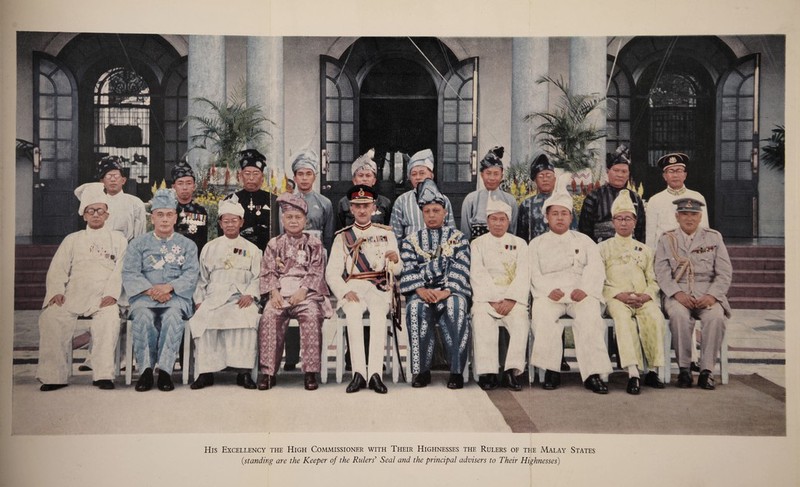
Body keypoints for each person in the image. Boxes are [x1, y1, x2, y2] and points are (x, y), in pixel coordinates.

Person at [36, 184, 128, 391]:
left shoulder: (118, 239)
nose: (96, 215)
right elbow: (58, 269)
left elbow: (121, 270)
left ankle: (103, 374)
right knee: (51, 318)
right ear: (84, 215)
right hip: (74, 293)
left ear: (107, 214)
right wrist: (57, 291)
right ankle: (54, 376)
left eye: (100, 211)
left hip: (104, 295)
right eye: (90, 211)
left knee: (109, 320)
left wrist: (112, 294)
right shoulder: (72, 240)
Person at [529, 188, 612, 394]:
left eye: (564, 213)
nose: (559, 218)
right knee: (543, 316)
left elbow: (595, 268)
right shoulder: (536, 244)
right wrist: (548, 290)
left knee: (590, 317)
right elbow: (532, 272)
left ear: (571, 217)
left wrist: (585, 289)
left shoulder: (584, 241)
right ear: (546, 217)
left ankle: (592, 373)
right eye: (555, 213)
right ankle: (551, 369)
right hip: (550, 293)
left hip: (579, 292)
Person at [122, 189, 200, 392]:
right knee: (142, 317)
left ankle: (166, 370)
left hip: (176, 297)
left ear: (176, 217)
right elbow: (130, 272)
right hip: (144, 297)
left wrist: (169, 287)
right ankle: (146, 371)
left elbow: (191, 274)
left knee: (173, 317)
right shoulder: (137, 244)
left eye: (169, 215)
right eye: (160, 214)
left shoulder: (188, 245)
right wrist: (151, 291)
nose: (164, 220)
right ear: (152, 217)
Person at [326, 185, 401, 394]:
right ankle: (358, 373)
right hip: (354, 286)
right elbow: (332, 273)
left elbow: (397, 268)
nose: (361, 210)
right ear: (351, 208)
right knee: (352, 313)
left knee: (378, 315)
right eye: (357, 206)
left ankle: (375, 374)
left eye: (366, 206)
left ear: (374, 207)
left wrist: (395, 262)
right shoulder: (342, 237)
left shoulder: (386, 234)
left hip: (378, 287)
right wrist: (343, 292)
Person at [399, 179, 471, 389]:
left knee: (455, 308)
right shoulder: (410, 241)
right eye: (427, 211)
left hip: (451, 291)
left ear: (445, 212)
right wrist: (420, 289)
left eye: (436, 210)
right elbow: (409, 269)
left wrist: (446, 291)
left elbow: (461, 267)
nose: (431, 215)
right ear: (422, 213)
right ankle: (421, 371)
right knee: (414, 309)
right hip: (421, 291)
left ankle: (456, 371)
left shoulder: (458, 238)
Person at [655, 197, 732, 390]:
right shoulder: (667, 238)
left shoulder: (713, 237)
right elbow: (661, 272)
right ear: (677, 216)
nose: (689, 218)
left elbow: (724, 272)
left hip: (707, 291)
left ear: (700, 217)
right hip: (678, 292)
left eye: (694, 215)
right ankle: (684, 369)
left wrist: (713, 296)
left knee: (715, 317)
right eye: (684, 214)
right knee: (679, 316)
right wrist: (676, 293)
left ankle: (707, 371)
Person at [258, 192, 332, 391]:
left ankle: (309, 372)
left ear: (305, 220)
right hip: (280, 293)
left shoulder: (314, 244)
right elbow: (267, 272)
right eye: (289, 217)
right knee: (269, 317)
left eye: (298, 217)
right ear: (282, 219)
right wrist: (273, 293)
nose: (293, 221)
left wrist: (303, 290)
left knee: (312, 316)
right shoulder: (274, 244)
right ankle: (268, 372)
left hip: (305, 293)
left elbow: (317, 270)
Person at [188, 200, 262, 390]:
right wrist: (199, 300)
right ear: (220, 224)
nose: (230, 224)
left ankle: (243, 372)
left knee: (247, 317)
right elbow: (201, 279)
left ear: (241, 222)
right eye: (225, 221)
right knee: (204, 318)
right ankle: (205, 372)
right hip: (214, 297)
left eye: (234, 220)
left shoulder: (253, 249)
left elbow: (258, 277)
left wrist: (251, 295)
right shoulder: (209, 248)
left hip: (240, 297)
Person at [599, 190, 666, 394]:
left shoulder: (645, 250)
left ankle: (653, 370)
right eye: (619, 219)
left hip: (642, 297)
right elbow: (599, 279)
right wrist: (617, 294)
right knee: (622, 319)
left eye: (628, 218)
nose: (624, 223)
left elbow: (653, 279)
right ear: (613, 222)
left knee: (655, 316)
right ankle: (633, 372)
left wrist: (647, 295)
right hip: (616, 298)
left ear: (635, 221)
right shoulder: (603, 248)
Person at [516, 153, 576, 372]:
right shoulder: (526, 204)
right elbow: (520, 237)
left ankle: (557, 358)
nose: (545, 179)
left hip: (560, 266)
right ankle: (534, 356)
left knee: (556, 308)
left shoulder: (565, 204)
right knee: (535, 312)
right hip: (536, 264)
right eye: (541, 176)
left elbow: (574, 235)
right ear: (535, 179)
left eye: (549, 175)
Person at [280, 150, 334, 372]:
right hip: (291, 258)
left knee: (311, 305)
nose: (304, 178)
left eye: (308, 174)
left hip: (315, 257)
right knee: (291, 299)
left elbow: (329, 235)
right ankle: (291, 355)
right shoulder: (285, 202)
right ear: (294, 176)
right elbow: (280, 235)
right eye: (300, 174)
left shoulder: (324, 203)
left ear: (314, 177)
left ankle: (313, 357)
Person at [469, 198, 529, 391]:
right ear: (487, 222)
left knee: (521, 321)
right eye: (493, 219)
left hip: (513, 298)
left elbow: (524, 273)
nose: (497, 223)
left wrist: (511, 298)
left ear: (508, 221)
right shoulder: (477, 244)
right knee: (482, 320)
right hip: (487, 298)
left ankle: (512, 371)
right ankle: (489, 372)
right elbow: (477, 273)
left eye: (502, 219)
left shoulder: (519, 244)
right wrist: (493, 299)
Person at [578, 145, 646, 243]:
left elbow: (641, 230)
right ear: (607, 171)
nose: (620, 175)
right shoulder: (594, 196)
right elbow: (585, 230)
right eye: (616, 170)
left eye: (624, 171)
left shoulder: (635, 198)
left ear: (628, 174)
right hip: (599, 248)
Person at [645, 152, 710, 249]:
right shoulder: (655, 200)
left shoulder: (697, 197)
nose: (675, 175)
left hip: (691, 250)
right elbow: (650, 235)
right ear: (665, 176)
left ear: (685, 175)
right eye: (671, 171)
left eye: (679, 171)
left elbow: (704, 230)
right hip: (664, 252)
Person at [390, 148, 455, 241]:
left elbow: (452, 233)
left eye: (422, 173)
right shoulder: (401, 201)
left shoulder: (443, 200)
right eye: (414, 174)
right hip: (409, 252)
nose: (418, 177)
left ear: (431, 175)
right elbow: (395, 236)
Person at [460, 146, 518, 241]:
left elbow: (513, 233)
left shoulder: (510, 201)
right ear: (482, 175)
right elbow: (465, 234)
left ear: (501, 176)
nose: (492, 178)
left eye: (496, 174)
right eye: (488, 173)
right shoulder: (471, 200)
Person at [222, 149, 271, 251]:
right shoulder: (230, 200)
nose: (251, 178)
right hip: (237, 252)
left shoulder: (272, 200)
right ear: (240, 176)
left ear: (262, 177)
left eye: (256, 173)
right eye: (247, 173)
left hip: (267, 253)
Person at [90, 155, 147, 242]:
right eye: (109, 176)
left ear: (123, 180)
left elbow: (140, 236)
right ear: (102, 182)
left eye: (116, 176)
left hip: (128, 251)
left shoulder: (136, 203)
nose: (113, 180)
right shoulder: (96, 204)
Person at [335, 150, 393, 229]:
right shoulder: (344, 202)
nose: (364, 179)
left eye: (368, 175)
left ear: (374, 180)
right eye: (361, 175)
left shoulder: (385, 202)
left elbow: (387, 227)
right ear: (354, 180)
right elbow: (341, 229)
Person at [171, 160, 208, 255]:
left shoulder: (200, 211)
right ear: (174, 187)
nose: (184, 187)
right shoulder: (169, 210)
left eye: (188, 183)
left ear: (194, 186)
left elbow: (203, 241)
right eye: (180, 183)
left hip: (194, 258)